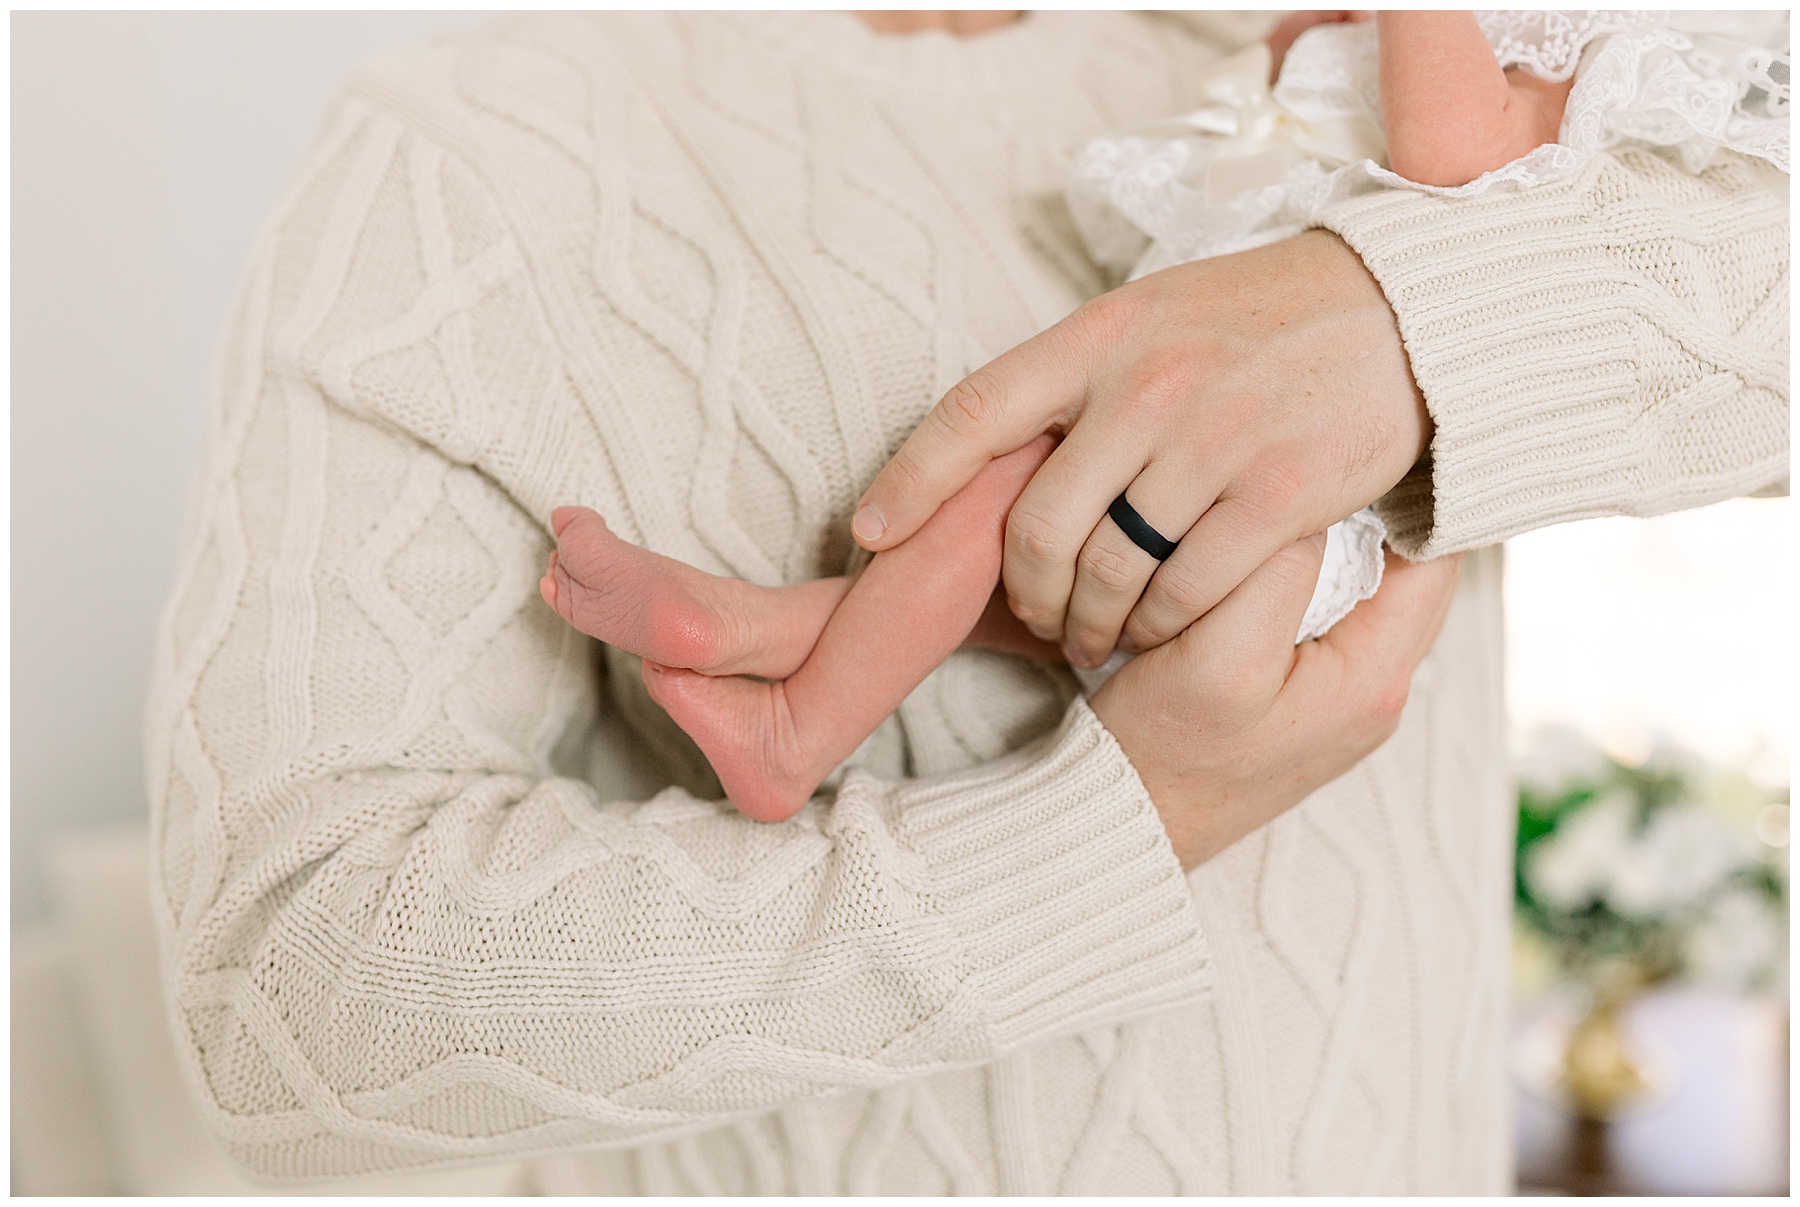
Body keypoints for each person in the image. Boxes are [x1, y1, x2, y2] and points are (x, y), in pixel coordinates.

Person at [145, 11, 1786, 1193]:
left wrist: (1394, 329)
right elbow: (283, 1000)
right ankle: (777, 652)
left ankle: (779, 651)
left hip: (1401, 1081)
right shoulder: (481, 148)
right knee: (1017, 518)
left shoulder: (1424, 46)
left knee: (1029, 520)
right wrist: (1115, 829)